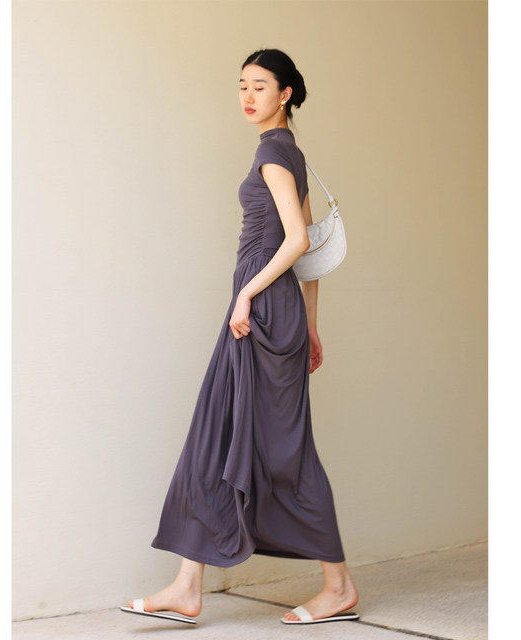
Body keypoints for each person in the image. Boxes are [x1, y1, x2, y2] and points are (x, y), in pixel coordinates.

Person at [123, 48, 359, 625]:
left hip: (261, 313)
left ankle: (339, 588)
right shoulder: (289, 152)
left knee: (284, 452)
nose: (248, 96)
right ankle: (187, 586)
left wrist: (248, 294)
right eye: (242, 85)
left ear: (285, 94)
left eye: (260, 86)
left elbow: (299, 241)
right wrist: (311, 324)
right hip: (273, 312)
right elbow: (311, 249)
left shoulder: (274, 154)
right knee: (217, 436)